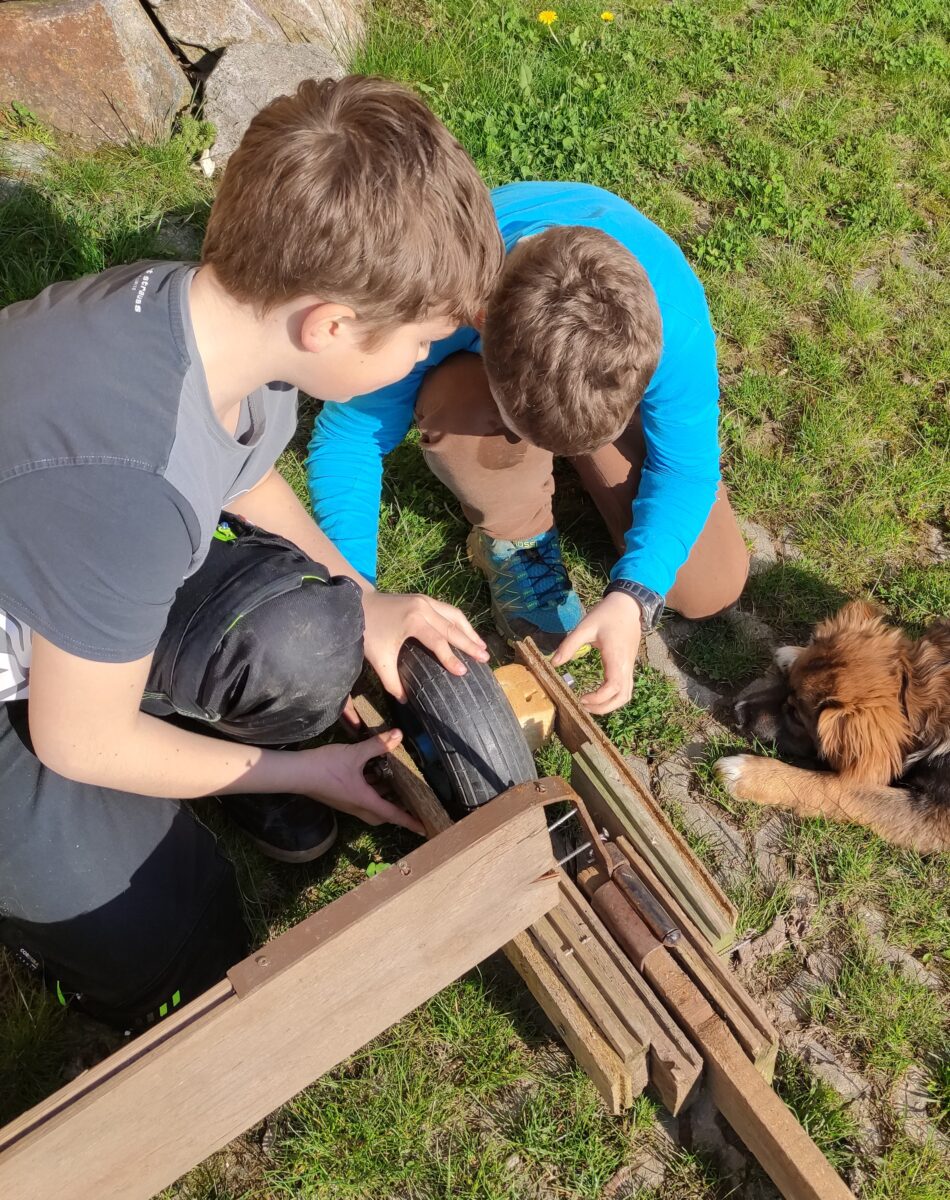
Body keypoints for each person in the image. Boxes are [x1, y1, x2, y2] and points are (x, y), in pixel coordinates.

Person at [0, 76, 505, 1029]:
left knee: (312, 636)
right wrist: (299, 773)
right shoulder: (131, 474)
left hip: (69, 574)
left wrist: (366, 598)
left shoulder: (220, 324)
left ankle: (187, 740)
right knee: (181, 940)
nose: (416, 367)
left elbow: (235, 471)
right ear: (332, 326)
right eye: (421, 344)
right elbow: (80, 736)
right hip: (36, 668)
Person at [307, 181, 749, 717]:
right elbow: (349, 436)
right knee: (458, 406)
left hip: (582, 365)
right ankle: (518, 538)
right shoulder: (434, 295)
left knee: (709, 587)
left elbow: (686, 467)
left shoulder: (670, 316)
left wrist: (635, 594)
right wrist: (359, 600)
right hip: (475, 357)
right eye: (531, 437)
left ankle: (581, 440)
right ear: (484, 331)